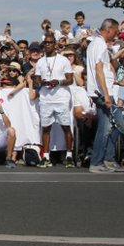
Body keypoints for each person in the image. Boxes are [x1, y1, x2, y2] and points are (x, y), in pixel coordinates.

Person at [85, 18, 122, 172]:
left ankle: (108, 158)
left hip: (102, 91)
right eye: (116, 31)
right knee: (106, 127)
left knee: (114, 125)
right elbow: (99, 69)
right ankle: (97, 162)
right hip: (102, 92)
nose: (116, 34)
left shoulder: (95, 43)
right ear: (109, 29)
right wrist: (106, 95)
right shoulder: (99, 44)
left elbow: (104, 70)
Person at [32, 35, 74, 168]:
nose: (48, 45)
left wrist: (59, 82)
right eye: (46, 43)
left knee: (66, 127)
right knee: (46, 128)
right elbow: (36, 80)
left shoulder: (63, 60)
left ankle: (69, 156)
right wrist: (41, 82)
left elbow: (70, 79)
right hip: (46, 98)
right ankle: (45, 157)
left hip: (61, 98)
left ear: (55, 44)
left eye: (50, 42)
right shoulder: (40, 62)